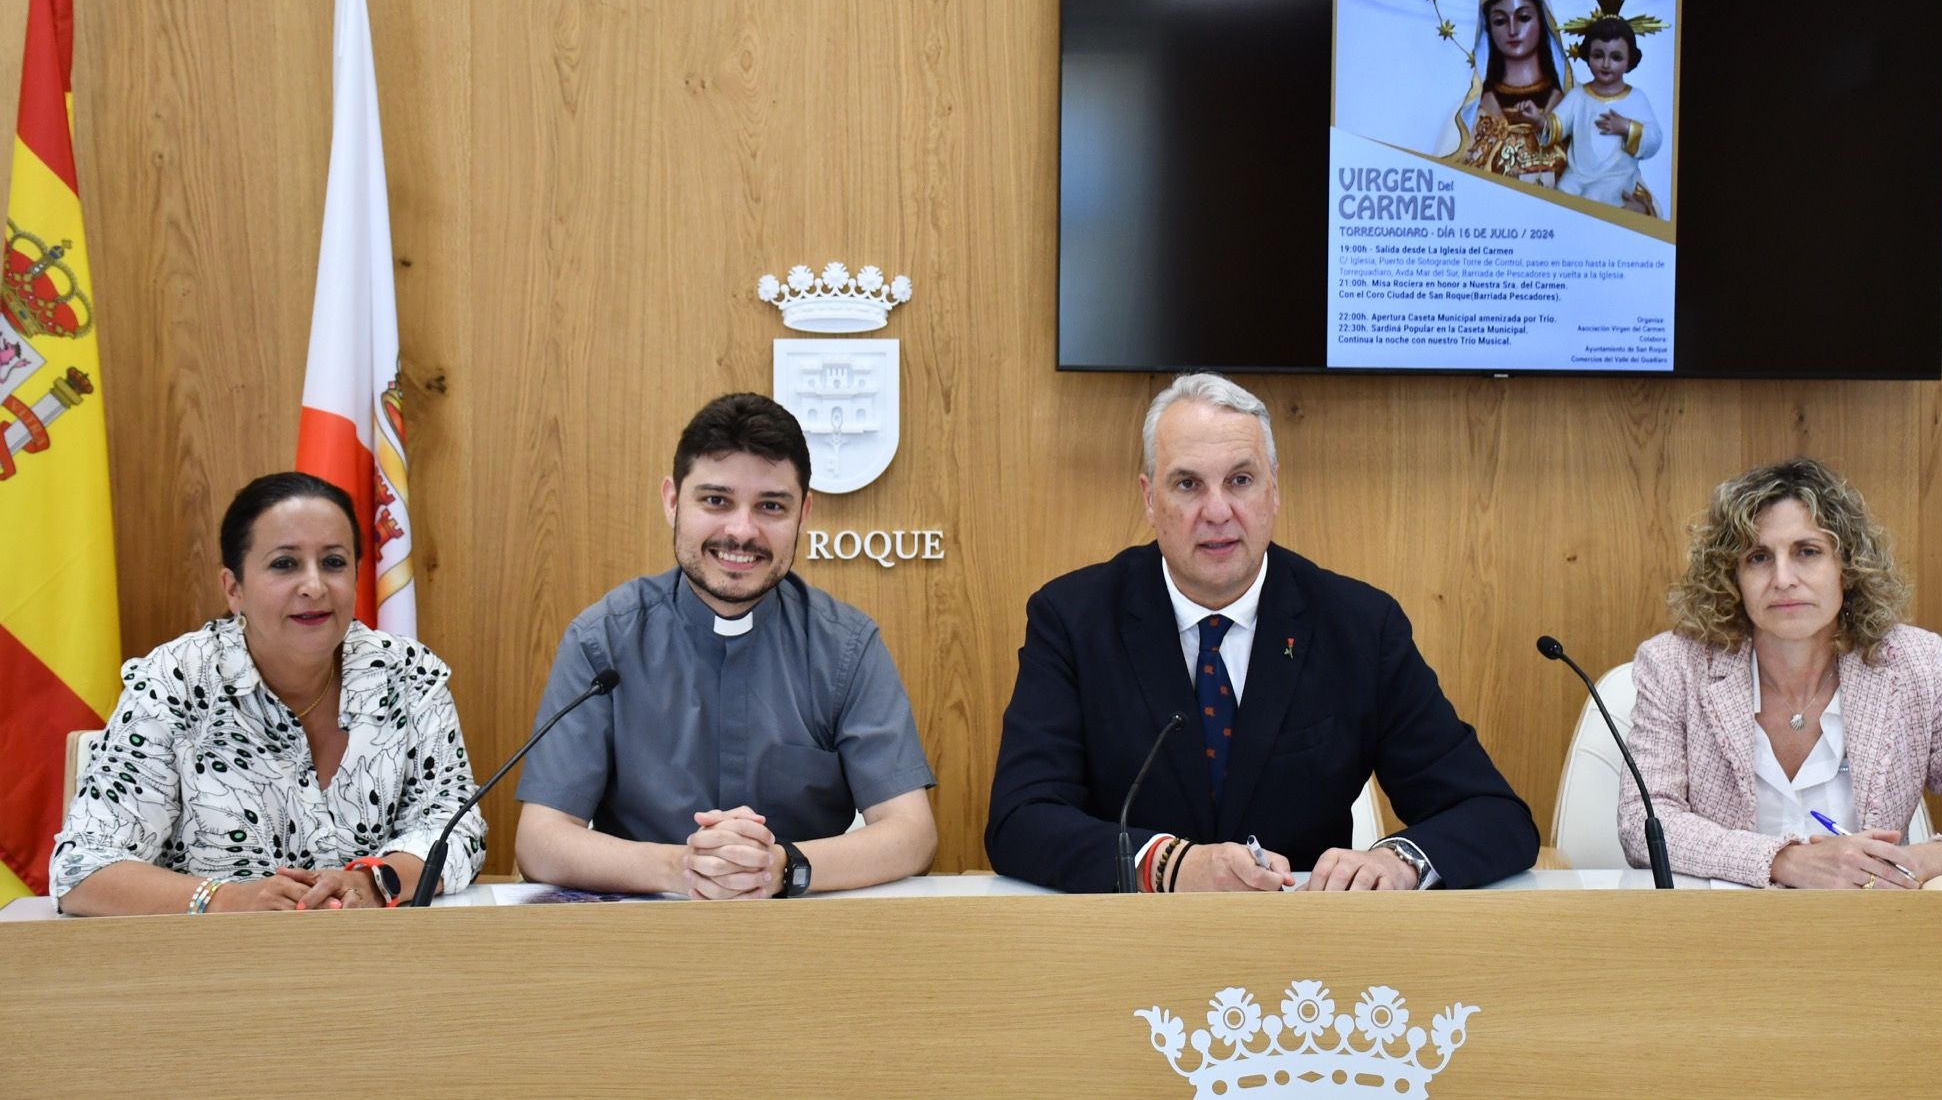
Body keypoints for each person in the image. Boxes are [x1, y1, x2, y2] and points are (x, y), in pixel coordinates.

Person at [986, 373, 1538, 893]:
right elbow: (1021, 820)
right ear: (1150, 500)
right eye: (1187, 484)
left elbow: (1494, 815)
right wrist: (1173, 867)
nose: (1218, 510)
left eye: (1241, 480)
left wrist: (1396, 863)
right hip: (1126, 950)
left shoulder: (1359, 626)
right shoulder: (1073, 619)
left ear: (1273, 493)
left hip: (1305, 965)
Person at [514, 392, 936, 898]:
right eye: (716, 500)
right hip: (637, 935)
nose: (742, 530)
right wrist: (682, 869)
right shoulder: (602, 639)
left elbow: (912, 833)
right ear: (672, 502)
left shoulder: (847, 647)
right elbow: (540, 841)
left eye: (771, 506)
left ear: (804, 513)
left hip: (802, 941)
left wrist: (778, 867)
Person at [51, 472, 485, 915]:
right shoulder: (175, 680)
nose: (315, 586)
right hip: (211, 968)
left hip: (374, 964)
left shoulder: (407, 675)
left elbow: (457, 826)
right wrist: (226, 899)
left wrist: (374, 882)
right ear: (233, 588)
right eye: (285, 564)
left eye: (334, 562)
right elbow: (82, 869)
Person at [1620, 458, 1942, 888]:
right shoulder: (1674, 665)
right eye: (1759, 557)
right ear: (1732, 577)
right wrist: (1786, 861)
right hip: (1723, 936)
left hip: (1870, 934)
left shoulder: (1914, 664)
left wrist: (1916, 861)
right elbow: (1643, 824)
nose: (1783, 579)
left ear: (1848, 567)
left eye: (1807, 552)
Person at [1449, 0, 1570, 188]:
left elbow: (1608, 177)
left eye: (1524, 17)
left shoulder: (1571, 105)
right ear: (1488, 30)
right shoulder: (1474, 114)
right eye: (1500, 21)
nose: (1513, 30)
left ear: (1543, 21)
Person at [1536, 15, 1664, 215]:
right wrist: (1537, 120)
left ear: (1630, 59)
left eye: (1616, 57)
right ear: (1587, 56)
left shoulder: (1636, 98)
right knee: (1561, 199)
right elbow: (1558, 123)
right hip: (1577, 174)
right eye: (1598, 55)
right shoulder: (1579, 96)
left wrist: (1627, 127)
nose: (1606, 64)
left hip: (1616, 176)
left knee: (1594, 199)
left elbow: (1655, 138)